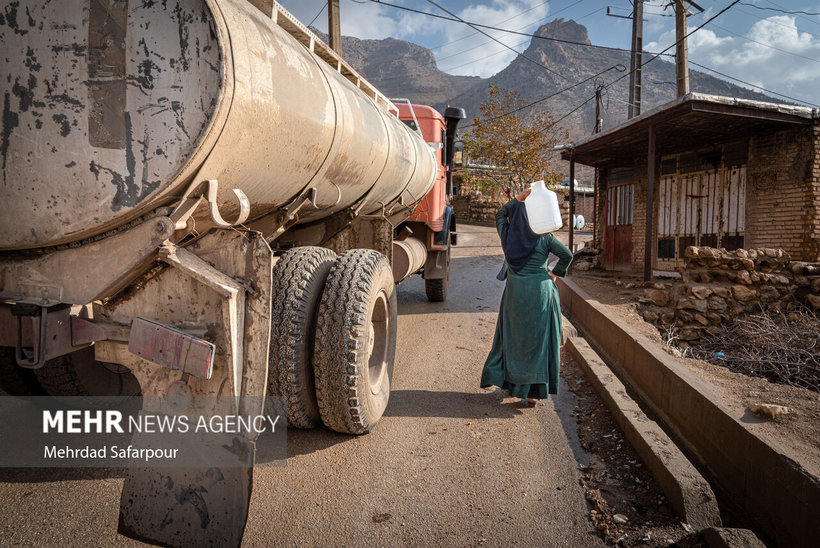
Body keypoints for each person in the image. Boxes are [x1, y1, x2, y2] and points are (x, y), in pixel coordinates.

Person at [480, 187, 573, 405]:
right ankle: (533, 393)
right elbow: (567, 255)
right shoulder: (546, 237)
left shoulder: (508, 235)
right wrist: (553, 273)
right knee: (537, 342)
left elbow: (500, 214)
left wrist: (518, 199)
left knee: (514, 339)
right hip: (541, 291)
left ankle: (512, 386)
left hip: (515, 293)